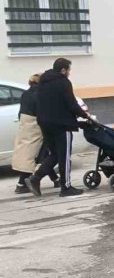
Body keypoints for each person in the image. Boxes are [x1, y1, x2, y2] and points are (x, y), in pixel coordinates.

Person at [25, 58, 90, 197]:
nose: (69, 73)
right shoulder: (63, 82)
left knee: (54, 154)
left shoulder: (43, 81)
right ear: (63, 70)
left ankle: (35, 179)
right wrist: (85, 115)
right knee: (64, 156)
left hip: (45, 124)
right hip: (61, 124)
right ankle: (66, 187)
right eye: (68, 70)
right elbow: (71, 104)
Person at [11, 74, 59, 193]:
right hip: (36, 128)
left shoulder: (25, 93)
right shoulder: (40, 94)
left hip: (25, 126)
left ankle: (56, 179)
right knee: (38, 155)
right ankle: (22, 184)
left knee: (36, 154)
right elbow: (43, 112)